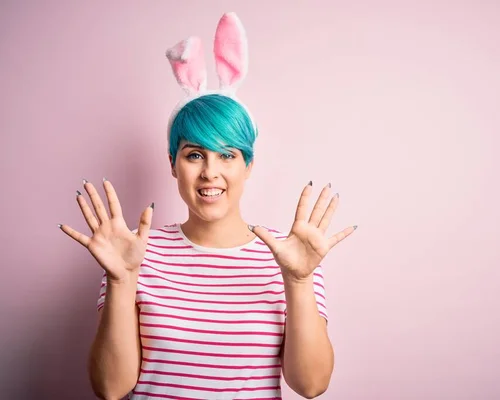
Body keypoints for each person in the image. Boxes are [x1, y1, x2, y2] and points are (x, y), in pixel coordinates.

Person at [59, 12, 356, 400]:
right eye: (195, 154)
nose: (210, 172)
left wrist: (298, 281)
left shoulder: (291, 256)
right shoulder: (133, 252)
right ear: (172, 164)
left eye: (228, 155)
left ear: (248, 165)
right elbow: (111, 388)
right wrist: (121, 280)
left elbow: (311, 385)